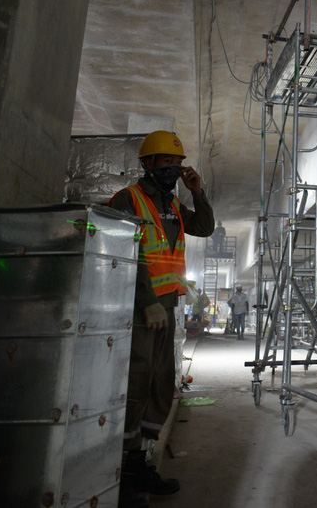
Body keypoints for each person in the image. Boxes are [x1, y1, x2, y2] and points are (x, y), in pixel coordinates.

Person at [109, 130, 214, 507]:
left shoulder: (171, 204)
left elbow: (204, 228)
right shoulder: (128, 199)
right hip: (140, 311)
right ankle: (120, 470)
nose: (172, 169)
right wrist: (146, 300)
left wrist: (197, 192)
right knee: (135, 383)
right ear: (148, 164)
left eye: (177, 163)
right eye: (166, 163)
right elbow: (124, 253)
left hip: (165, 309)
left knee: (158, 383)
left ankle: (139, 460)